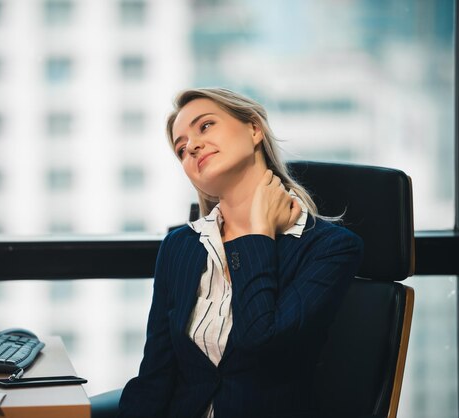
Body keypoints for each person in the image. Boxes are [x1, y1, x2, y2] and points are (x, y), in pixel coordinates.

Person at [118, 88, 364, 418]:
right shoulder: (180, 247)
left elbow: (259, 341)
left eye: (205, 126)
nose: (191, 146)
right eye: (181, 149)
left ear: (254, 129)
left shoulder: (330, 248)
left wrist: (255, 233)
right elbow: (154, 379)